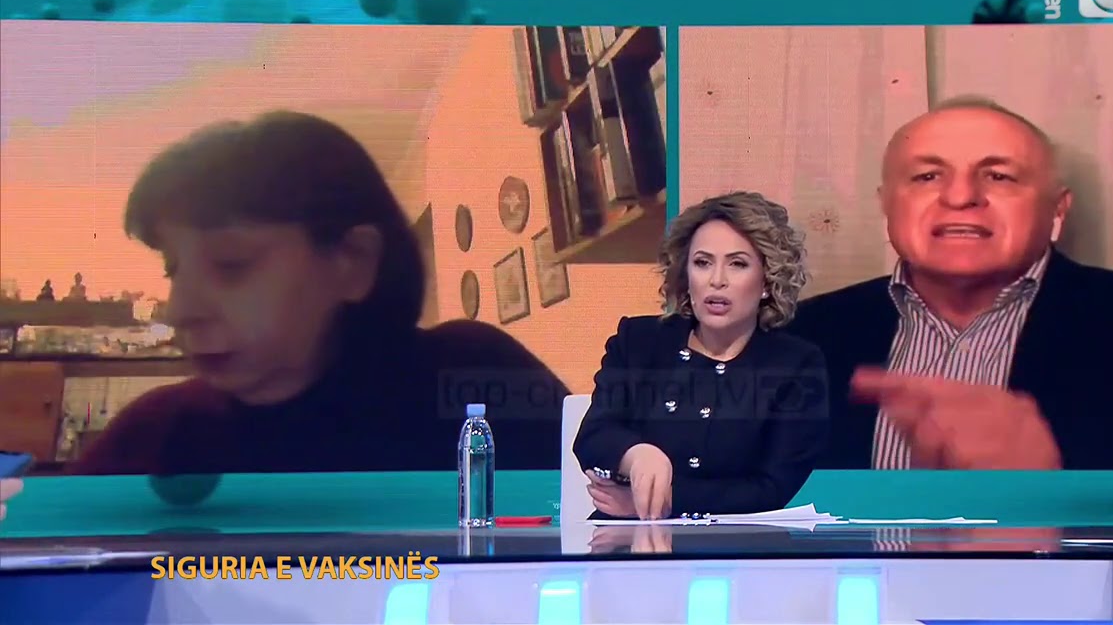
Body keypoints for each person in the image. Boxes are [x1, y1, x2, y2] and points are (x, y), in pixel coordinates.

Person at [790, 96, 1113, 472]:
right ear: (887, 203)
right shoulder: (802, 333)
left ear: (1057, 210)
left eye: (999, 176)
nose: (960, 197)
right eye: (928, 176)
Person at [70, 111, 568, 475]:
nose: (180, 310)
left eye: (231, 263)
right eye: (173, 269)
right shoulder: (156, 434)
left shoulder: (474, 375)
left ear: (353, 262)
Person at [573, 192, 829, 520]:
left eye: (737, 264)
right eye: (702, 263)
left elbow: (770, 488)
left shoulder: (795, 365)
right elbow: (593, 435)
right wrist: (637, 456)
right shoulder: (638, 341)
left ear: (767, 280)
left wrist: (665, 499)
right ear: (686, 275)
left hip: (735, 543)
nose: (716, 280)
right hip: (624, 536)